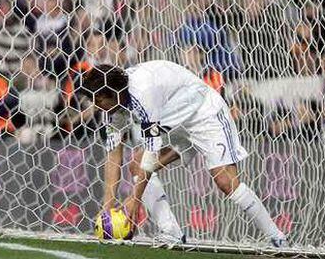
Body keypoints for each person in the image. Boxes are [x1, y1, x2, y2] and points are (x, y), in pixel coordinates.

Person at [81, 60, 287, 247]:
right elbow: (113, 154)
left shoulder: (143, 93)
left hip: (204, 113)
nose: (96, 106)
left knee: (225, 181)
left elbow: (151, 154)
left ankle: (277, 237)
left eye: (98, 100)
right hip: (174, 123)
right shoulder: (112, 108)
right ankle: (171, 232)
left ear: (113, 92)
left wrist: (135, 198)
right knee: (136, 164)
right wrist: (107, 207)